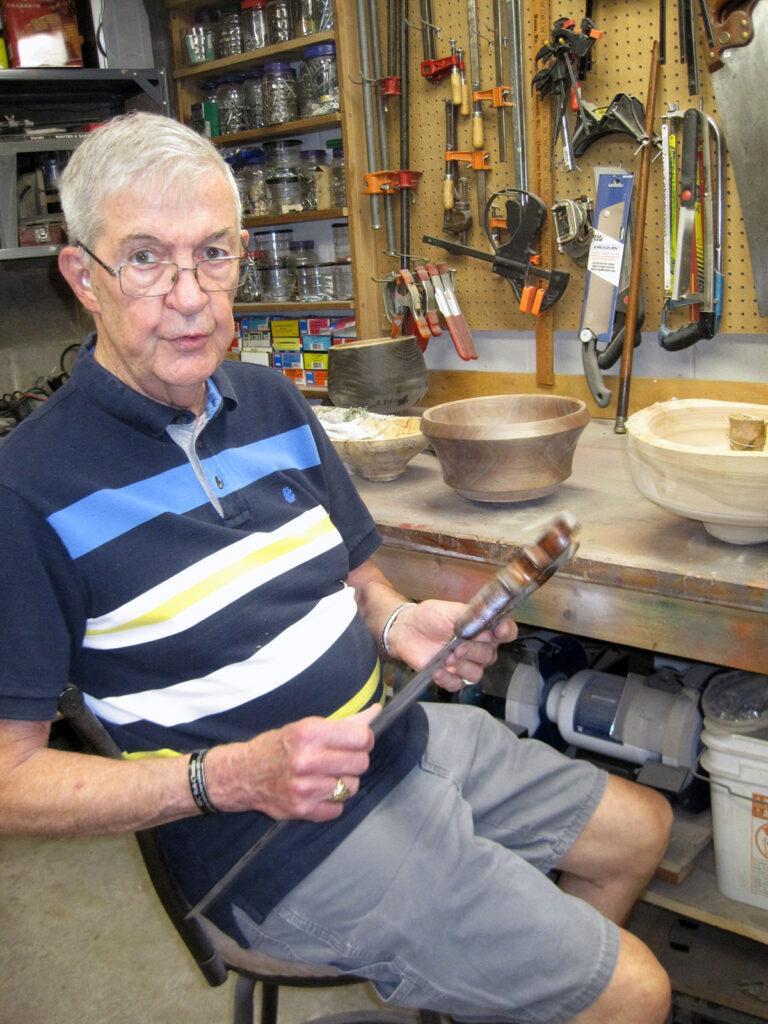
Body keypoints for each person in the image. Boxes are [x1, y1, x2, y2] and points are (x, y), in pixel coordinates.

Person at [0, 112, 672, 1024]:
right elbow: (10, 782)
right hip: (263, 837)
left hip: (392, 736)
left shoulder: (272, 401)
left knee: (644, 831)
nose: (191, 296)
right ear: (85, 276)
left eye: (214, 254)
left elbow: (358, 576)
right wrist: (226, 778)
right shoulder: (25, 491)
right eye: (147, 259)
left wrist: (403, 623)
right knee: (637, 991)